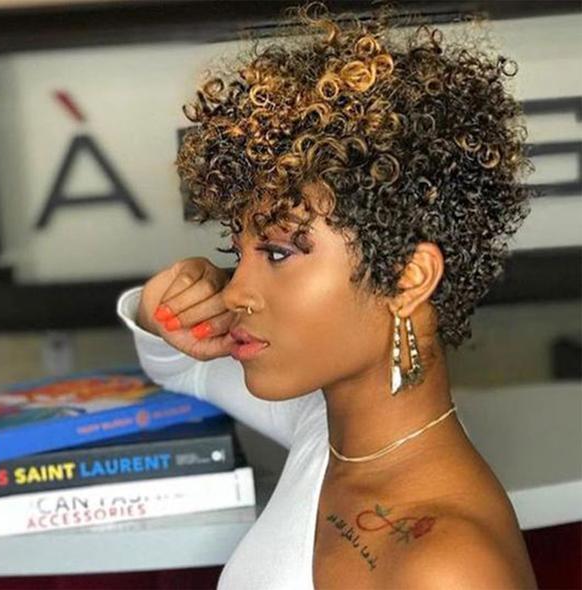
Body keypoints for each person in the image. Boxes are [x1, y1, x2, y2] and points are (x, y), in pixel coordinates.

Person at [117, 3, 538, 588]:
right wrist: (167, 301)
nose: (236, 291)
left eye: (278, 254)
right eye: (238, 253)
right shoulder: (327, 430)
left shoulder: (448, 569)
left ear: (408, 278)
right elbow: (179, 367)